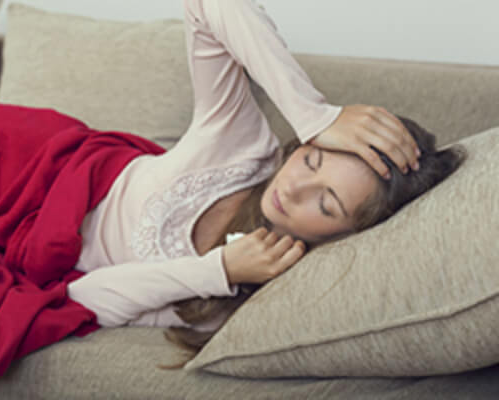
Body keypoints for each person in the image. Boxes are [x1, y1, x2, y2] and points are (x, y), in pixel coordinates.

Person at [65, 0, 467, 369]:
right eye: (311, 160)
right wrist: (315, 116)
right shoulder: (240, 146)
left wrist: (216, 270)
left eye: (325, 205)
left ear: (344, 238)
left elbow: (82, 300)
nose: (293, 188)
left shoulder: (247, 291)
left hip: (25, 239)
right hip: (33, 164)